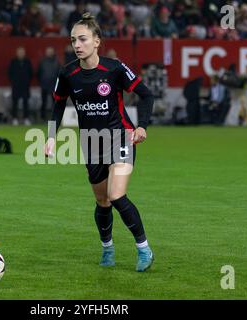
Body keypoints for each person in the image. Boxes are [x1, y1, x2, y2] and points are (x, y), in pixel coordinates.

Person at [44, 13, 155, 272]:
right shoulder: (68, 73)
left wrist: (142, 126)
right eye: (73, 40)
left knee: (116, 195)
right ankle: (107, 248)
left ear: (97, 41)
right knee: (102, 201)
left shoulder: (114, 68)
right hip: (91, 143)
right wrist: (50, 137)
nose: (77, 45)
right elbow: (57, 108)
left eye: (82, 39)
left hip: (120, 137)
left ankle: (144, 249)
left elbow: (146, 95)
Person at [8, 46, 33, 126]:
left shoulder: (27, 62)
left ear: (24, 53)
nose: (21, 54)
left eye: (22, 52)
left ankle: (26, 119)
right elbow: (9, 73)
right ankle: (14, 118)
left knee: (26, 103)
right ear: (17, 53)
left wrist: (27, 81)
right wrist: (13, 81)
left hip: (25, 86)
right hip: (16, 86)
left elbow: (31, 73)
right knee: (14, 103)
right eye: (19, 52)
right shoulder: (13, 62)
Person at [37, 46, 61, 122]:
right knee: (43, 102)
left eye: (50, 51)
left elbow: (59, 73)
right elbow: (39, 73)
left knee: (54, 103)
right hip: (44, 85)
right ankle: (42, 118)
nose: (49, 53)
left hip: (54, 85)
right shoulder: (42, 61)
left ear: (53, 52)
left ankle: (55, 118)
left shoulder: (57, 62)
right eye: (48, 51)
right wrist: (41, 82)